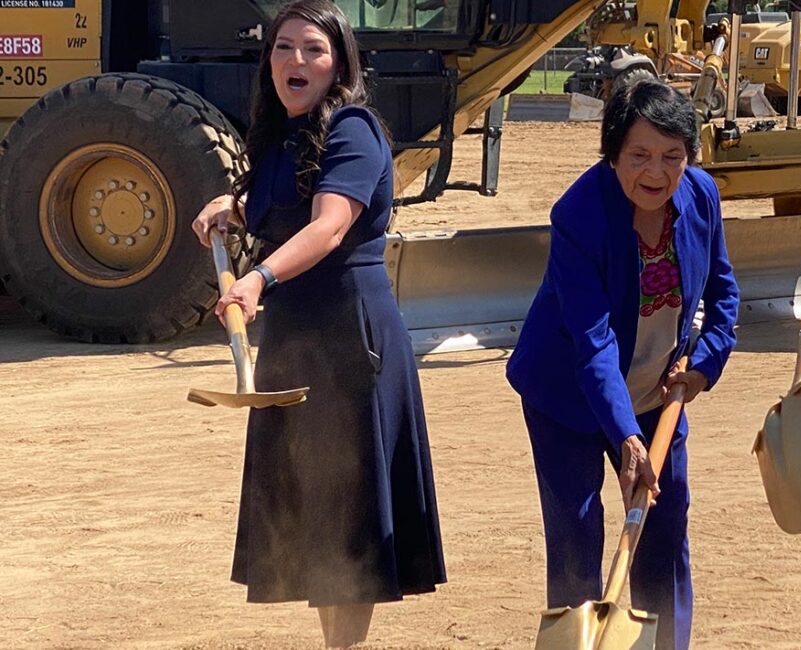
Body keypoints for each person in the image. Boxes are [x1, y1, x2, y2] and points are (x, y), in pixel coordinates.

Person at [190, 1, 444, 647]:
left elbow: (329, 225)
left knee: (350, 513)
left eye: (313, 50)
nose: (295, 61)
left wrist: (257, 279)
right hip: (296, 338)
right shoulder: (281, 134)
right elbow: (284, 204)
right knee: (317, 512)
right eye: (284, 48)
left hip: (349, 338)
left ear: (338, 65)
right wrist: (233, 208)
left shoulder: (353, 128)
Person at [505, 80, 739, 650]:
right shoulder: (579, 215)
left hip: (661, 389)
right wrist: (627, 438)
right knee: (578, 532)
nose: (656, 172)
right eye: (639, 155)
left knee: (665, 521)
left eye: (672, 156)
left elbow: (726, 295)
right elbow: (591, 343)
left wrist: (703, 365)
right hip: (568, 394)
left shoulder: (702, 196)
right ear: (612, 156)